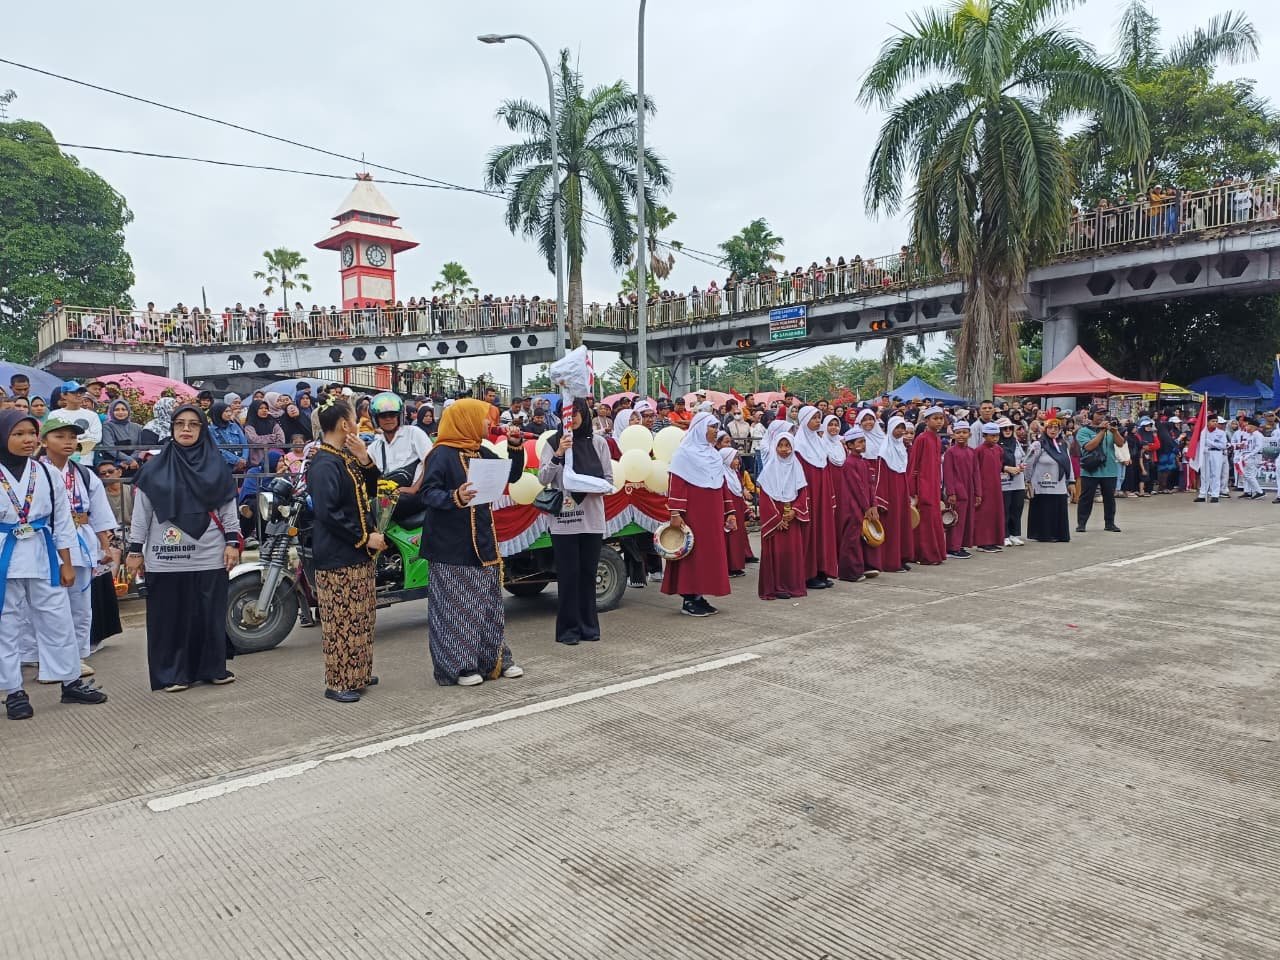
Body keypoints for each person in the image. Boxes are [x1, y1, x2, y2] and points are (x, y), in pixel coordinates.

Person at [1, 411, 109, 720]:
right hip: (4, 557)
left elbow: (62, 521)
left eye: (30, 433)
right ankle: (14, 692)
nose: (27, 440)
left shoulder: (46, 473)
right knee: (7, 625)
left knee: (58, 619)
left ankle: (71, 681)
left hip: (43, 553)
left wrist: (67, 562)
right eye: (18, 433)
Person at [127, 405, 240, 692]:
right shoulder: (153, 469)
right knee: (170, 619)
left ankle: (212, 668)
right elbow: (142, 513)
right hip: (167, 557)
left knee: (208, 615)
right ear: (172, 428)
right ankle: (173, 674)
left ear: (203, 429)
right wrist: (135, 550)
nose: (186, 429)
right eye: (180, 424)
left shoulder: (217, 467)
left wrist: (231, 543)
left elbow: (228, 509)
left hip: (209, 553)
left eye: (193, 424)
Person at [420, 399, 526, 686]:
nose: (486, 424)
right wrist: (456, 497)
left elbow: (512, 476)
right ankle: (460, 668)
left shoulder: (480, 451)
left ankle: (495, 661)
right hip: (450, 545)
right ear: (465, 420)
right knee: (456, 608)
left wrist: (516, 447)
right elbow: (427, 494)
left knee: (488, 604)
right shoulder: (440, 454)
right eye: (481, 419)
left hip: (482, 540)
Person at [308, 400, 384, 703]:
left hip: (355, 552)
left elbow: (373, 488)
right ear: (344, 424)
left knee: (361, 616)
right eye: (354, 418)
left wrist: (364, 458)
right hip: (338, 554)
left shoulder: (344, 457)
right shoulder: (324, 463)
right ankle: (339, 681)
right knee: (342, 620)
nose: (357, 422)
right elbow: (328, 513)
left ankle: (358, 672)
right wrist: (364, 537)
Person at [39, 412, 117, 669]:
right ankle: (43, 655)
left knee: (81, 602)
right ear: (44, 441)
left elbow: (100, 513)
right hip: (45, 541)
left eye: (72, 437)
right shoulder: (35, 472)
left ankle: (79, 653)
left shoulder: (84, 474)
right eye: (59, 436)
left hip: (80, 538)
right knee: (47, 603)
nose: (67, 442)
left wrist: (105, 546)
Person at [538, 397, 613, 646]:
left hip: (591, 517)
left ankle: (589, 626)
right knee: (568, 576)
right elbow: (543, 478)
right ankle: (568, 629)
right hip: (565, 519)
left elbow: (608, 479)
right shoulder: (552, 442)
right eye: (569, 412)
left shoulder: (599, 442)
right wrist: (559, 453)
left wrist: (588, 484)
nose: (575, 417)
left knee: (588, 574)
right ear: (561, 416)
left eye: (579, 411)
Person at [662, 411, 735, 617]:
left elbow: (722, 485)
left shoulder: (713, 455)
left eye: (716, 427)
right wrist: (675, 513)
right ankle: (688, 597)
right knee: (692, 552)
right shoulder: (683, 454)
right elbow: (676, 485)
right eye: (712, 427)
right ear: (701, 429)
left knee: (709, 554)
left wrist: (730, 511)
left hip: (712, 513)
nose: (715, 431)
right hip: (693, 513)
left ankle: (699, 595)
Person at [755, 432, 809, 600]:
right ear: (775, 447)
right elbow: (765, 497)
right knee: (776, 553)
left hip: (791, 518)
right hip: (776, 520)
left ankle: (792, 585)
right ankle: (776, 587)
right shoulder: (770, 468)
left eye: (788, 445)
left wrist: (795, 511)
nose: (784, 449)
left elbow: (803, 493)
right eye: (781, 445)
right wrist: (776, 519)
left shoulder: (797, 467)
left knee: (792, 553)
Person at [365, 393, 432, 523]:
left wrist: (414, 488)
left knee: (376, 507)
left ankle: (375, 538)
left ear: (399, 416)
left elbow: (430, 462)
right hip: (390, 497)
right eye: (383, 416)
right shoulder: (375, 446)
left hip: (416, 495)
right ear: (376, 419)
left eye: (392, 415)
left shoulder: (413, 433)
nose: (388, 419)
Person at [792, 406, 838, 590]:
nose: (818, 421)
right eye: (813, 418)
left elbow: (825, 472)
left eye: (819, 418)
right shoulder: (798, 446)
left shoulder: (820, 444)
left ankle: (821, 570)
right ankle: (807, 574)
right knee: (809, 533)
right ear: (804, 420)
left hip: (822, 495)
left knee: (822, 531)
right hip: (808, 496)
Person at [836, 428, 878, 582]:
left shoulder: (862, 462)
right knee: (852, 537)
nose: (863, 444)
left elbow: (869, 485)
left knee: (863, 536)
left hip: (863, 505)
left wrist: (873, 504)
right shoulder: (849, 463)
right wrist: (866, 507)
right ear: (850, 445)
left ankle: (862, 566)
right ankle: (849, 572)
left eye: (864, 441)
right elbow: (857, 487)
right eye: (860, 442)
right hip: (853, 506)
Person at [872, 416, 913, 573]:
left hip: (901, 492)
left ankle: (901, 558)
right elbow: (881, 477)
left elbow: (903, 472)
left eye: (902, 428)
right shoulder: (884, 451)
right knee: (892, 525)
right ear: (890, 429)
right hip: (890, 494)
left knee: (902, 524)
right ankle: (890, 561)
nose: (901, 431)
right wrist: (881, 499)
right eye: (898, 428)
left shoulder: (901, 448)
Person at [908, 406, 947, 565]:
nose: (938, 421)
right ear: (926, 420)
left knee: (934, 519)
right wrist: (914, 489)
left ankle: (935, 552)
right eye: (935, 418)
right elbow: (914, 466)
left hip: (934, 485)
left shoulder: (937, 439)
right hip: (923, 486)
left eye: (941, 418)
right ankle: (924, 555)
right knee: (924, 522)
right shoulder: (922, 439)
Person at [1024, 419, 1074, 542]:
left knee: (1058, 510)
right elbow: (1028, 463)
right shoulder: (1038, 444)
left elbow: (1069, 463)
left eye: (1056, 428)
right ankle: (1044, 534)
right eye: (1050, 427)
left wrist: (1071, 481)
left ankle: (1058, 534)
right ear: (1045, 429)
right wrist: (1027, 480)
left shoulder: (1063, 444)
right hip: (1042, 485)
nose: (1053, 430)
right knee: (1045, 510)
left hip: (1059, 484)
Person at [1076, 408, 1124, 532]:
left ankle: (1110, 523)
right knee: (1086, 498)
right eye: (1099, 414)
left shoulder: (1109, 431)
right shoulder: (1083, 431)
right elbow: (1089, 446)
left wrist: (1115, 432)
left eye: (1104, 414)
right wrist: (1102, 431)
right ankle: (1081, 523)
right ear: (1092, 415)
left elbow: (1120, 443)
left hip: (1109, 470)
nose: (1102, 417)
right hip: (1090, 471)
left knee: (1109, 498)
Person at [942, 422, 978, 559]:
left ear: (969, 434)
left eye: (964, 432)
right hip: (957, 490)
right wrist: (951, 492)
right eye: (958, 432)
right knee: (956, 519)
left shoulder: (971, 452)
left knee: (967, 518)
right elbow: (948, 473)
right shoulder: (950, 452)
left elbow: (976, 473)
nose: (961, 435)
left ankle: (961, 544)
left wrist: (978, 492)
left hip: (969, 489)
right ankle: (952, 547)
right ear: (954, 434)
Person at [973, 423, 1007, 552]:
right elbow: (976, 470)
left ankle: (993, 540)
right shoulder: (979, 450)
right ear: (984, 436)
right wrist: (978, 490)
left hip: (996, 487)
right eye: (992, 436)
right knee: (984, 515)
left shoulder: (999, 449)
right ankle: (983, 542)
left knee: (995, 514)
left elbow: (1000, 465)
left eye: (997, 436)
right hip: (984, 486)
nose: (995, 438)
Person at [721, 448, 751, 578]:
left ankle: (737, 565)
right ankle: (729, 567)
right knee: (730, 537)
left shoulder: (735, 474)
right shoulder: (722, 475)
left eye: (737, 458)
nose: (737, 461)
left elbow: (739, 491)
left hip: (737, 507)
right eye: (734, 458)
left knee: (738, 537)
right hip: (729, 509)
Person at [998, 421, 1027, 546]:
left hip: (1018, 479)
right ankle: (1004, 534)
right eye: (1004, 428)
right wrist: (1006, 468)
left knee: (1017, 507)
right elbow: (994, 462)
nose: (1008, 430)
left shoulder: (1016, 442)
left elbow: (1022, 457)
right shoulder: (997, 444)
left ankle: (1014, 534)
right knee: (1005, 508)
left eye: (1010, 428)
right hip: (1004, 480)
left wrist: (1021, 466)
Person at [99, 399, 143, 474]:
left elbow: (140, 447)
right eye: (117, 410)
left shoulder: (137, 427)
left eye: (124, 409)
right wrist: (129, 460)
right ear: (112, 411)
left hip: (135, 464)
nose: (120, 412)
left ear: (128, 411)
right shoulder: (107, 426)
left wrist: (130, 460)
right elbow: (110, 447)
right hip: (115, 464)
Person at [207, 402, 249, 473]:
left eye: (230, 411)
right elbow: (217, 449)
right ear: (218, 413)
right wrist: (236, 460)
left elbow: (245, 444)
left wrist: (243, 459)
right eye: (226, 411)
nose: (229, 414)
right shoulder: (210, 430)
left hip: (240, 467)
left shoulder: (234, 426)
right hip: (222, 467)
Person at [1194, 416, 1228, 503]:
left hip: (1216, 453)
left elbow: (1223, 445)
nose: (1215, 423)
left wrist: (1210, 443)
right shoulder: (1203, 432)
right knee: (1204, 474)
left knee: (1215, 474)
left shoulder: (1221, 433)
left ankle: (1215, 494)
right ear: (1208, 422)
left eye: (1216, 421)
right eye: (1213, 421)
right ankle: (1202, 494)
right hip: (1205, 453)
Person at [244, 399, 285, 467]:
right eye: (261, 408)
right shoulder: (250, 425)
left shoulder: (273, 423)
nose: (264, 410)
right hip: (256, 462)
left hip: (275, 461)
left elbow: (281, 440)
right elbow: (253, 440)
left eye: (266, 408)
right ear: (254, 410)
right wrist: (272, 437)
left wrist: (263, 440)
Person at [1238, 417, 1264, 498]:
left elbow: (1258, 447)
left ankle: (1259, 491)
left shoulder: (1258, 435)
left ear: (1253, 427)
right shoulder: (1250, 435)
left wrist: (1250, 455)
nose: (1246, 427)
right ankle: (1247, 491)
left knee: (1249, 475)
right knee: (1246, 474)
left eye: (1248, 426)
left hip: (1254, 456)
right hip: (1248, 456)